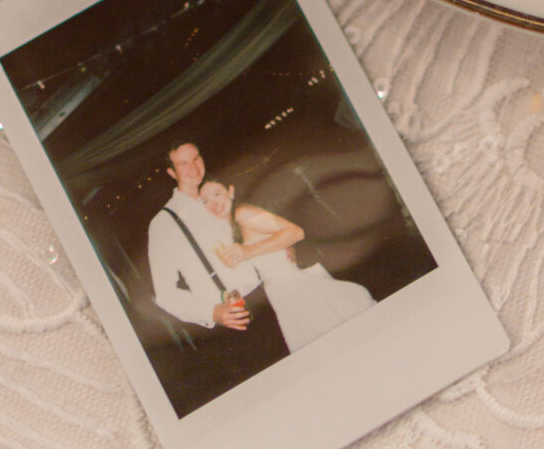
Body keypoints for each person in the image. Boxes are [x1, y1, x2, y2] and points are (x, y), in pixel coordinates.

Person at [146, 141, 288, 389]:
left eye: (196, 158)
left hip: (272, 293)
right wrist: (213, 313)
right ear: (171, 172)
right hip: (234, 317)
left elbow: (254, 232)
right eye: (183, 163)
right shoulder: (164, 223)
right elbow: (166, 294)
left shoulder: (218, 193)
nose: (193, 167)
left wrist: (283, 248)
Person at [199, 177, 374, 355]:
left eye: (216, 194)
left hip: (296, 288)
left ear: (230, 191)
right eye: (205, 200)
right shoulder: (232, 226)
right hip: (282, 294)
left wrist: (248, 251)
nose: (213, 204)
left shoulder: (242, 213)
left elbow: (296, 232)